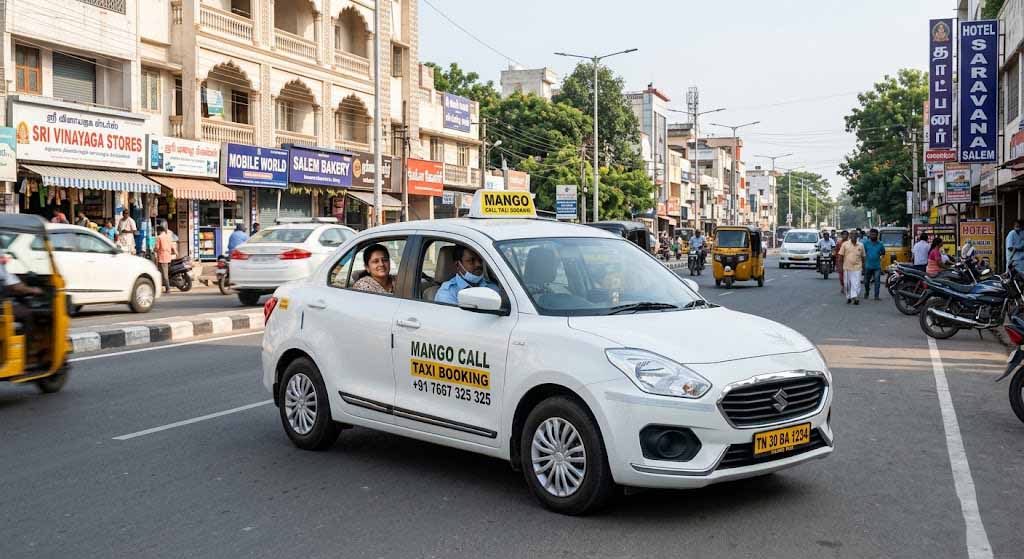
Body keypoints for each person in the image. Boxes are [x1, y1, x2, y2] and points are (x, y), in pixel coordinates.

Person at [435, 245, 499, 305]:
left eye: (480, 260)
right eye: (471, 261)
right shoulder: (447, 292)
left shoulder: (492, 286)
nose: (478, 264)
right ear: (457, 265)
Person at [839, 230, 865, 305]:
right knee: (847, 284)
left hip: (857, 267)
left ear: (857, 236)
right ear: (850, 236)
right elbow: (841, 256)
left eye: (855, 234)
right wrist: (840, 266)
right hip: (847, 267)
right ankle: (849, 297)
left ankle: (855, 297)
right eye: (852, 234)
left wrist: (864, 266)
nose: (854, 236)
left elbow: (863, 256)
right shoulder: (845, 244)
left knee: (856, 283)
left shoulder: (861, 245)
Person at [862, 228, 886, 300]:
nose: (873, 236)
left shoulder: (880, 244)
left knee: (877, 281)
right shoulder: (865, 243)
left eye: (874, 235)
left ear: (877, 235)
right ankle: (867, 292)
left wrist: (879, 255)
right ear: (869, 235)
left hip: (877, 266)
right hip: (867, 266)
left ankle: (876, 296)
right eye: (871, 234)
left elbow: (883, 252)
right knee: (866, 282)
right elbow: (863, 253)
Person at [154, 226, 177, 293]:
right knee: (163, 273)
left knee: (164, 274)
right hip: (168, 257)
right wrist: (176, 252)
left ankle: (168, 288)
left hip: (162, 257)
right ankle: (161, 288)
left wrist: (154, 250)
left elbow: (157, 247)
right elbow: (173, 246)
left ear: (159, 231)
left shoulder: (159, 237)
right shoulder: (168, 237)